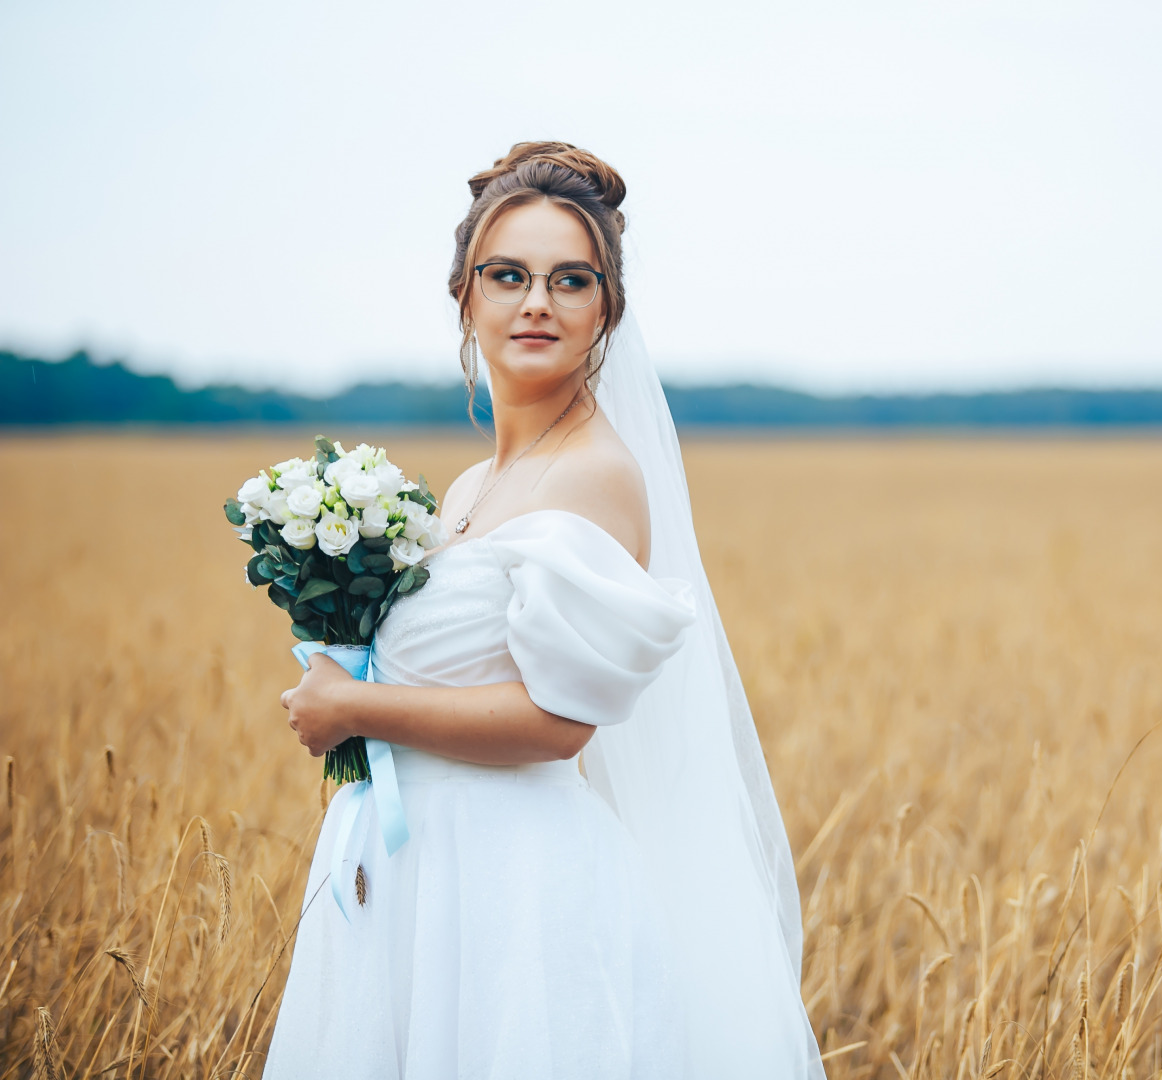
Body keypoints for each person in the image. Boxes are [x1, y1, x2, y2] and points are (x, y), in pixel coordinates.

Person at [264, 142, 825, 1079]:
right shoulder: (474, 485)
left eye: (571, 280)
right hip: (421, 873)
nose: (537, 302)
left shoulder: (596, 476)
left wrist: (353, 711)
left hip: (514, 892)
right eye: (509, 275)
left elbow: (559, 722)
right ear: (465, 295)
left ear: (606, 308)